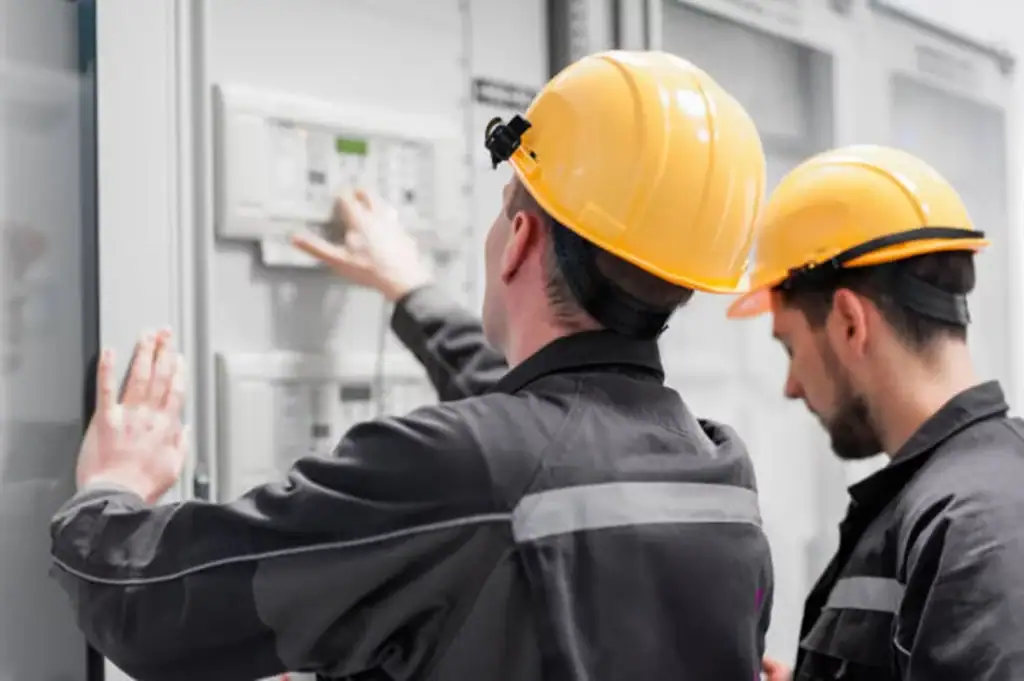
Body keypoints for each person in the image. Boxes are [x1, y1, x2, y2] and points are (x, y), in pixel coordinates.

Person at [50, 51, 774, 681]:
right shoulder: (721, 476)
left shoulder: (456, 469)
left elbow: (149, 601)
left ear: (518, 237)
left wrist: (109, 489)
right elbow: (552, 447)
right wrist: (412, 292)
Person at [729, 145, 1024, 681]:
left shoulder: (977, 524)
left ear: (847, 322)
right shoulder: (955, 502)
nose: (791, 386)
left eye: (790, 348)